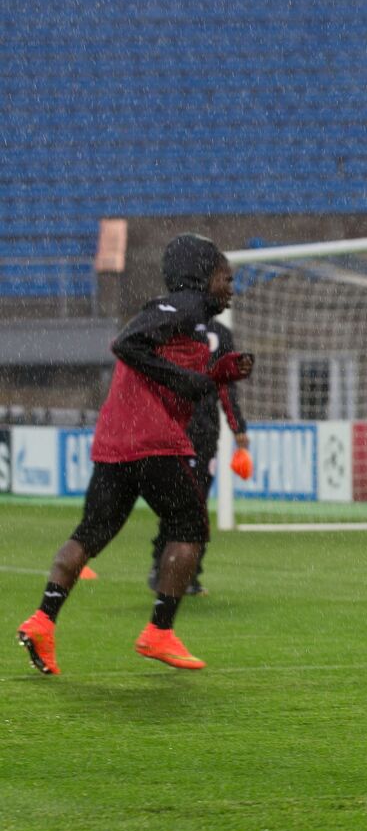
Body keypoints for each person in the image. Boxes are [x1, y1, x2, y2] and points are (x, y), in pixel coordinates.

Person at [16, 233, 254, 674]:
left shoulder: (190, 322)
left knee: (90, 533)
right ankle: (159, 631)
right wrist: (184, 380)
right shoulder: (181, 306)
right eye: (225, 276)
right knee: (190, 527)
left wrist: (215, 374)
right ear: (203, 275)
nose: (231, 285)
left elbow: (177, 377)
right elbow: (127, 344)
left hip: (117, 440)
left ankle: (42, 621)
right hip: (152, 441)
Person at [146, 318, 252, 597]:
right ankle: (169, 568)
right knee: (189, 504)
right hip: (185, 431)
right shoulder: (184, 327)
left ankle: (178, 571)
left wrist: (237, 425)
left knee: (189, 505)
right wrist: (237, 426)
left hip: (190, 431)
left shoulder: (181, 327)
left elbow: (225, 385)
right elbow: (226, 386)